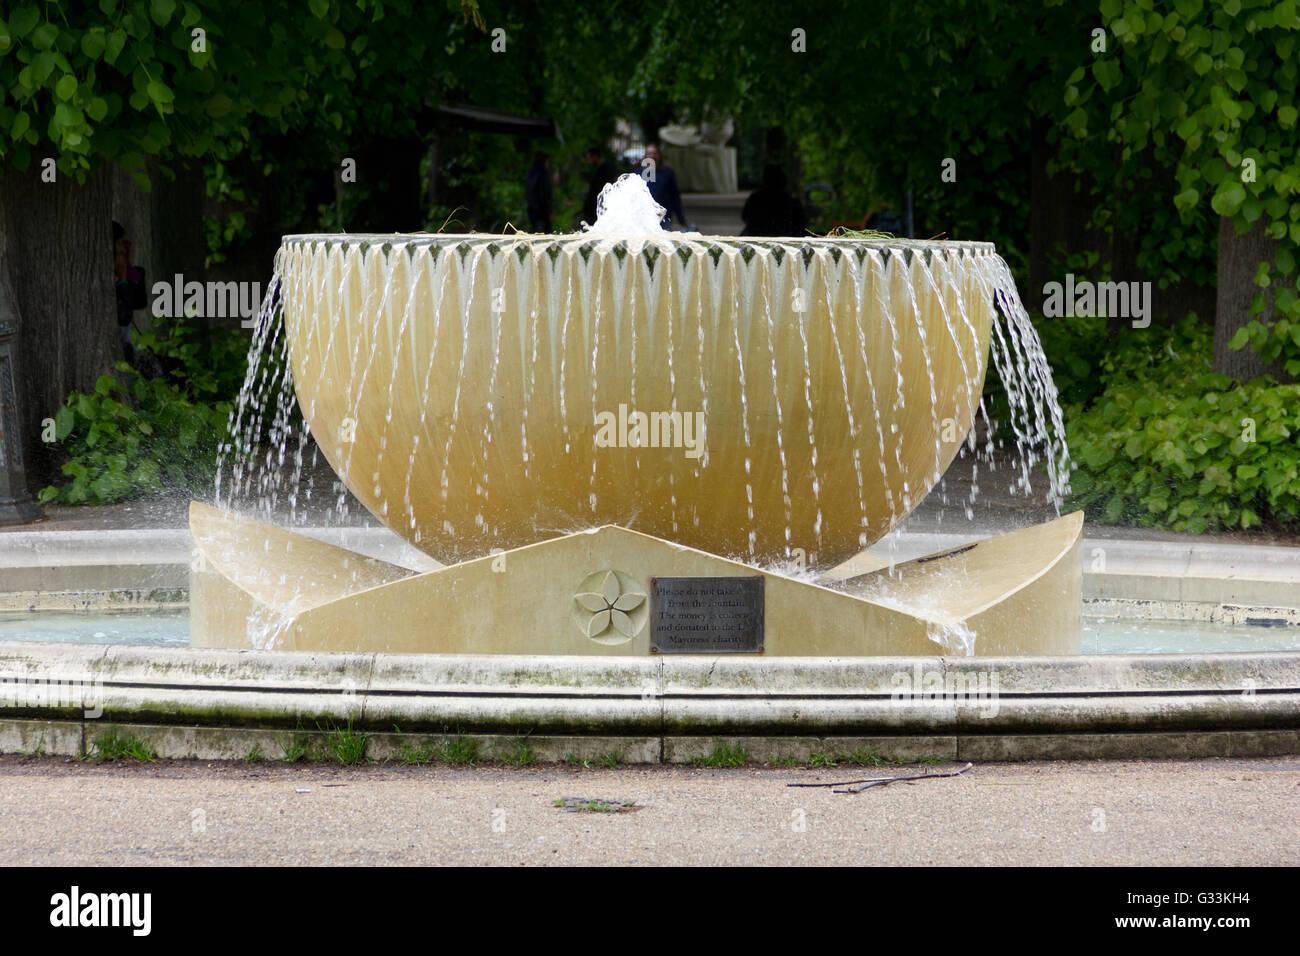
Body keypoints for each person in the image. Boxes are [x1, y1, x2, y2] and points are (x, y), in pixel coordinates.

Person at [741, 164, 808, 237]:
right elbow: (802, 225)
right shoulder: (792, 202)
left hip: (758, 238)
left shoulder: (755, 199)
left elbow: (745, 217)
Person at [113, 221, 146, 364]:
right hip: (120, 352)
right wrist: (122, 280)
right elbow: (124, 316)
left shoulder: (121, 272)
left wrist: (128, 263)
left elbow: (139, 302)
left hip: (126, 347)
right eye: (120, 245)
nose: (124, 249)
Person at [642, 143, 689, 230]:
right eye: (649, 153)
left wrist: (681, 219)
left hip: (664, 218)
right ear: (645, 156)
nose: (652, 156)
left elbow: (675, 197)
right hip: (644, 218)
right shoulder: (639, 174)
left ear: (660, 155)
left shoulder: (668, 173)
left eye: (655, 153)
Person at [580, 145, 618, 226]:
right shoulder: (600, 169)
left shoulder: (606, 169)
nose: (589, 162)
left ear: (595, 156)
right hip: (594, 210)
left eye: (590, 158)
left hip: (599, 210)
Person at [525, 152, 553, 233]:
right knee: (544, 233)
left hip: (532, 209)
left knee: (536, 231)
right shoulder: (542, 174)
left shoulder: (531, 173)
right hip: (541, 211)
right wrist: (549, 212)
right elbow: (544, 194)